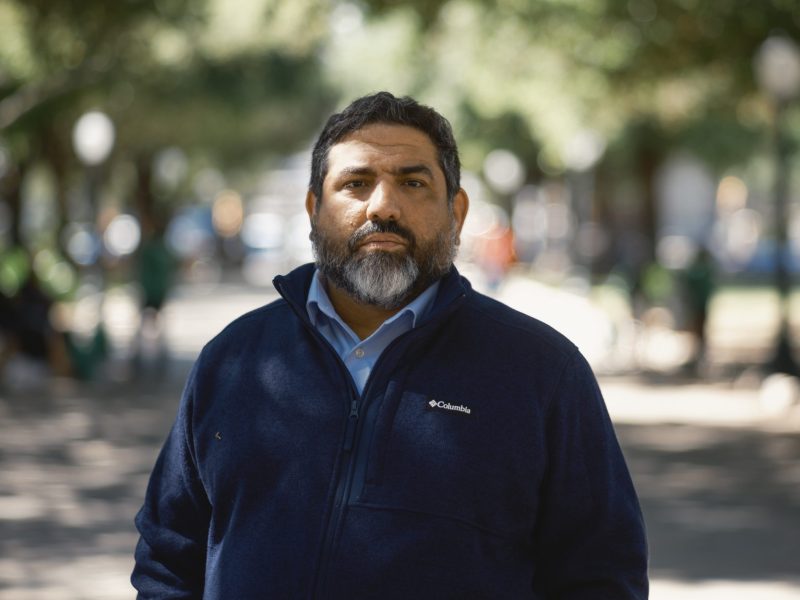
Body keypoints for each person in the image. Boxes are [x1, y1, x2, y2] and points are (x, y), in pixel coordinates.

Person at [132, 92, 648, 599]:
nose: (383, 205)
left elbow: (601, 577)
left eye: (413, 182)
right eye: (355, 183)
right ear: (314, 208)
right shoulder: (234, 360)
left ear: (456, 211)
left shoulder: (543, 374)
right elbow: (169, 558)